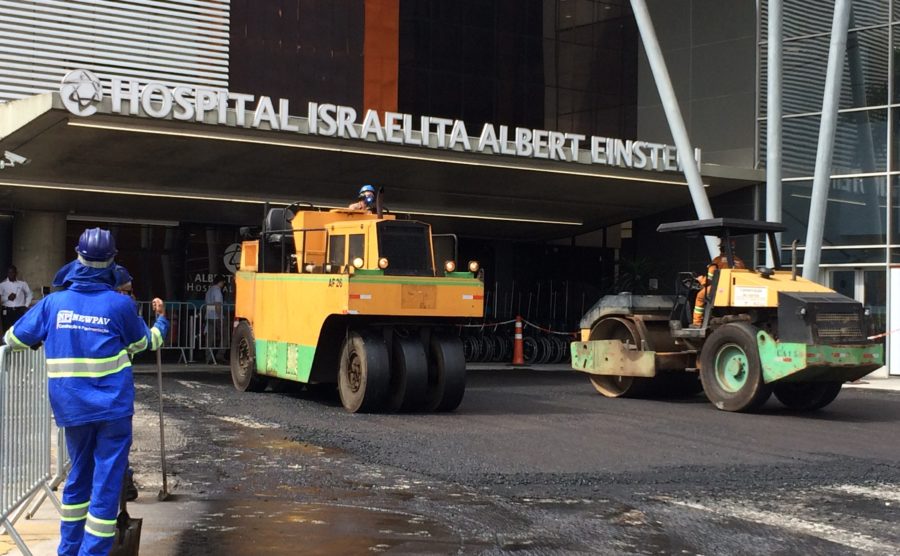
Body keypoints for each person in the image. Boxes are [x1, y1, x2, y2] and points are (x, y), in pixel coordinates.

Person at [3, 228, 168, 556]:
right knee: (107, 482)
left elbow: (14, 339)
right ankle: (92, 552)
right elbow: (145, 343)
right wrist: (162, 321)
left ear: (77, 258)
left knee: (78, 476)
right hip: (113, 411)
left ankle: (69, 550)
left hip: (72, 409)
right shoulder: (119, 306)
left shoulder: (54, 303)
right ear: (111, 261)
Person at [693, 240, 746, 327]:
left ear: (721, 248)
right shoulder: (740, 262)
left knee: (700, 297)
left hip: (719, 288)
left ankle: (697, 323)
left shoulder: (717, 261)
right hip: (736, 290)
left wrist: (701, 280)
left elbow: (710, 279)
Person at [0, 265, 33, 334]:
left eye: (13, 272)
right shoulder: (2, 285)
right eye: (9, 272)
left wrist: (26, 305)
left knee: (19, 329)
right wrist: (7, 298)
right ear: (7, 273)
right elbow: (1, 300)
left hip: (19, 310)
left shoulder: (22, 284)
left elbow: (29, 294)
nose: (11, 274)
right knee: (7, 330)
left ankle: (18, 344)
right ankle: (7, 344)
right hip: (7, 311)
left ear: (16, 273)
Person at [205, 274, 226, 364]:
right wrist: (220, 317)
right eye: (223, 282)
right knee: (225, 336)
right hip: (216, 317)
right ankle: (220, 355)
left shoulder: (209, 290)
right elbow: (218, 305)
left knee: (210, 337)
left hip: (209, 316)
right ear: (220, 282)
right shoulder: (217, 291)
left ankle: (208, 357)